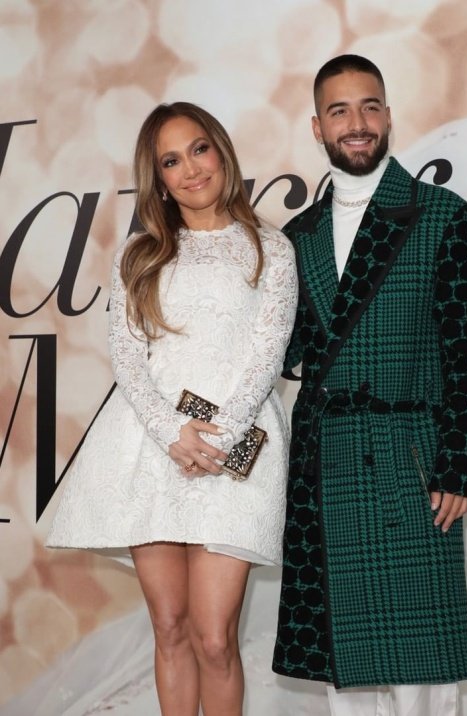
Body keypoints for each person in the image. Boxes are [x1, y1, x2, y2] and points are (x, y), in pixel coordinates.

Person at [46, 101, 298, 716]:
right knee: (170, 627)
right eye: (171, 160)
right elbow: (128, 360)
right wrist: (171, 434)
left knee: (216, 639)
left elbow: (267, 356)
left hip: (239, 447)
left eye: (199, 149)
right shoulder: (139, 253)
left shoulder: (271, 249)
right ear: (158, 178)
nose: (190, 168)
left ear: (222, 151)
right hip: (151, 445)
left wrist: (215, 439)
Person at [272, 55, 467, 716]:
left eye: (369, 106)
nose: (357, 123)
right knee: (350, 669)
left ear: (389, 116)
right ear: (317, 127)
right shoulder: (296, 237)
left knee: (421, 662)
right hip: (328, 461)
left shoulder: (445, 217)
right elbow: (278, 353)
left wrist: (457, 465)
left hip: (412, 457)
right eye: (339, 111)